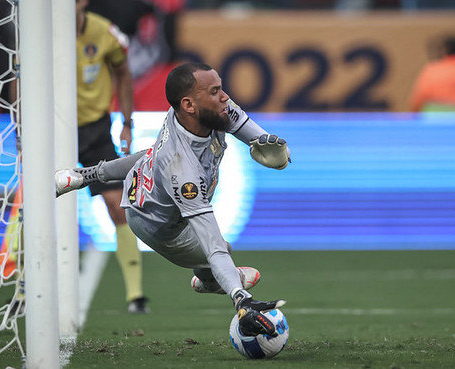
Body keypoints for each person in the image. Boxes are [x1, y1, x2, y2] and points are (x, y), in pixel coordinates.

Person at [55, 62, 290, 337]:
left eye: (220, 88)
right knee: (221, 249)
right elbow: (211, 241)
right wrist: (242, 300)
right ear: (189, 105)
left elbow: (262, 140)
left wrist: (276, 152)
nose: (225, 96)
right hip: (157, 225)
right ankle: (207, 280)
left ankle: (83, 176)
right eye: (215, 91)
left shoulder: (208, 110)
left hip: (144, 176)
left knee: (151, 156)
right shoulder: (181, 169)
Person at [74, 0, 148, 314]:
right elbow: (18, 81)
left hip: (94, 131)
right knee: (34, 209)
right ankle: (24, 291)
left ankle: (135, 294)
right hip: (49, 131)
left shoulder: (104, 32)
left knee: (118, 206)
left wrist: (127, 123)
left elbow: (123, 73)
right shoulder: (40, 38)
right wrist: (22, 135)